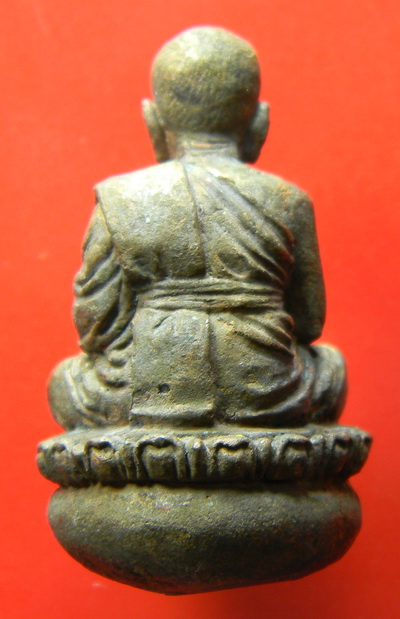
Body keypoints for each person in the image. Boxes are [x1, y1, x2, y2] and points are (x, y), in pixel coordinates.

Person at [49, 27, 346, 431]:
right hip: (269, 391)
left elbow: (95, 326)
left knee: (66, 382)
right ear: (260, 121)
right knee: (330, 368)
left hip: (144, 389)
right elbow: (309, 323)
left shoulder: (121, 198)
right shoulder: (289, 200)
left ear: (152, 120)